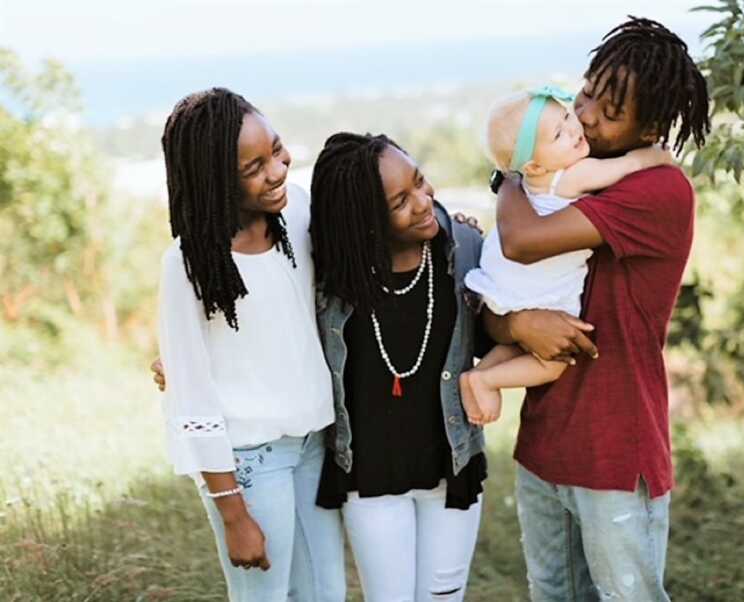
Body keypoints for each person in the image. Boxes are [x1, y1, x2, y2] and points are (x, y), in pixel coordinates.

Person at [482, 17, 711, 601]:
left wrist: (510, 174)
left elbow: (520, 241)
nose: (584, 115)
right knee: (551, 594)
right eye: (586, 93)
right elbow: (496, 299)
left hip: (614, 448)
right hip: (544, 441)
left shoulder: (655, 190)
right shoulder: (565, 179)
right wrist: (516, 323)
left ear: (651, 126)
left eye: (609, 111)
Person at [156, 88, 345, 602]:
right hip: (250, 463)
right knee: (264, 595)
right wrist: (233, 513)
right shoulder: (189, 264)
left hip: (313, 446)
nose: (278, 170)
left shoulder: (298, 212)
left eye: (277, 150)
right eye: (253, 167)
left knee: (326, 592)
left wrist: (450, 225)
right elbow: (191, 395)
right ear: (214, 179)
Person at [310, 132, 490, 602]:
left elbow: (502, 328)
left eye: (420, 181)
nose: (423, 200)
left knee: (444, 598)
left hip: (450, 465)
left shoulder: (464, 246)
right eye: (400, 201)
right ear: (365, 220)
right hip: (370, 476)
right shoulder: (328, 276)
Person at [460, 85, 672, 425]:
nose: (575, 128)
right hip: (539, 287)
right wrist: (658, 156)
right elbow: (627, 166)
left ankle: (479, 374)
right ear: (533, 165)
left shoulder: (528, 184)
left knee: (521, 346)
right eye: (559, 134)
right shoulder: (574, 175)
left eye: (567, 116)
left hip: (505, 282)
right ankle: (486, 379)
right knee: (553, 362)